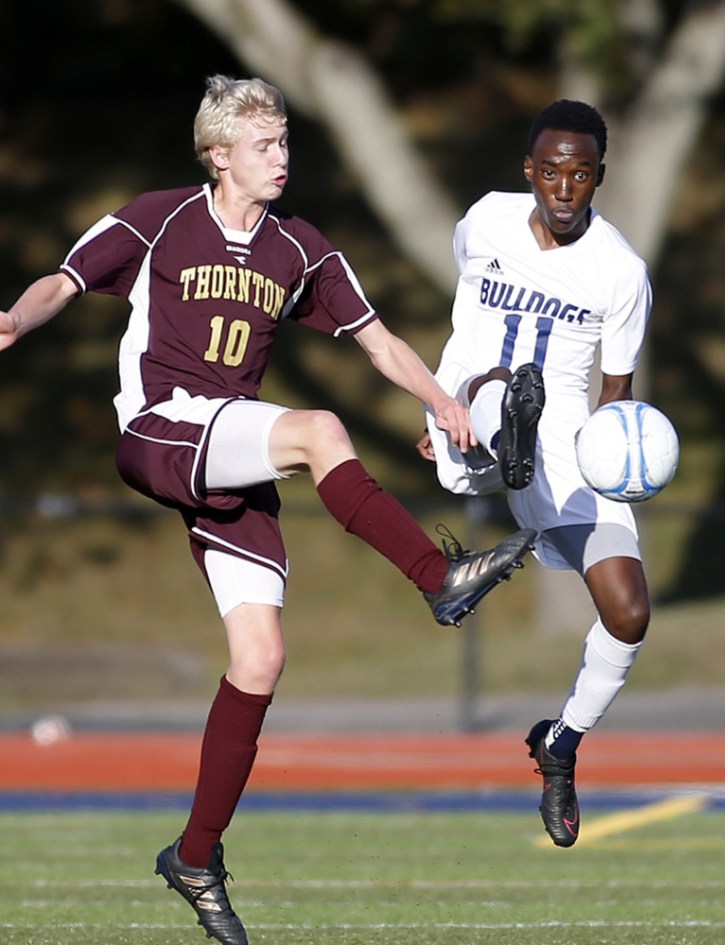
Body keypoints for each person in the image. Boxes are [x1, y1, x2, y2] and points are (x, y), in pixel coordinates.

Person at [0, 75, 537, 945]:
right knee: (320, 427)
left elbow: (377, 339)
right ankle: (438, 576)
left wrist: (442, 400)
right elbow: (63, 280)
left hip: (231, 454)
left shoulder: (301, 249)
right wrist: (15, 322)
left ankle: (196, 854)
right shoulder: (160, 218)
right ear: (218, 156)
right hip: (160, 425)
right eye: (264, 145)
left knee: (260, 657)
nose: (282, 157)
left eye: (285, 142)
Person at [417, 99, 652, 848]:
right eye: (550, 170)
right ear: (529, 171)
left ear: (599, 178)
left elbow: (616, 398)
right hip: (472, 410)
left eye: (580, 174)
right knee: (502, 381)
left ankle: (560, 745)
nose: (563, 186)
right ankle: (495, 434)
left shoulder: (621, 271)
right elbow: (465, 315)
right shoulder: (485, 219)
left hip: (566, 452)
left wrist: (630, 464)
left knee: (629, 611)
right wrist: (438, 404)